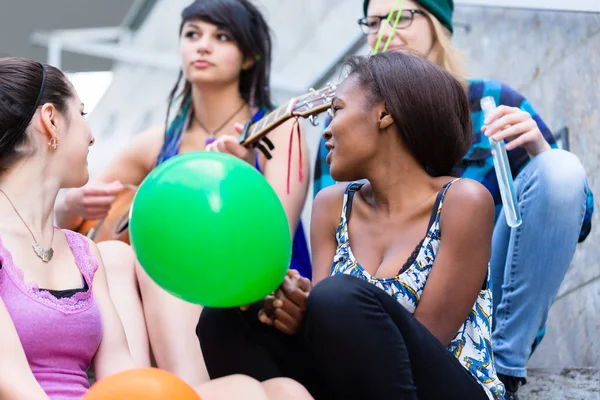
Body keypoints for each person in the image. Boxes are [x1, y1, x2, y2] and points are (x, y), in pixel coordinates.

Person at [312, 1, 593, 398]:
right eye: (373, 23)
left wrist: (539, 151)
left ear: (439, 25)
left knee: (560, 170)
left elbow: (574, 221)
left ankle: (505, 368)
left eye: (401, 16)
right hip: (374, 324)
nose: (385, 32)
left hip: (483, 307)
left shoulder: (492, 101)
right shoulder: (343, 136)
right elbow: (334, 249)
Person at [0, 55, 315, 400]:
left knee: (285, 391)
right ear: (51, 120)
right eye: (82, 114)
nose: (91, 135)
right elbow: (13, 383)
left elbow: (120, 375)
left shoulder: (82, 252)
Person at [197, 51, 506, 400]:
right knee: (226, 315)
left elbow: (430, 340)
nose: (326, 131)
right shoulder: (332, 205)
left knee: (336, 297)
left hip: (445, 387)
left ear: (384, 113)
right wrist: (300, 308)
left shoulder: (462, 200)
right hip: (355, 384)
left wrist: (325, 308)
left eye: (338, 110)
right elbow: (325, 330)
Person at [54, 0, 311, 387]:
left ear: (249, 57)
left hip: (257, 301)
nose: (202, 46)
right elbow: (68, 224)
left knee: (163, 246)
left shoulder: (277, 131)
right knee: (111, 253)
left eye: (221, 36)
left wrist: (241, 176)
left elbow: (274, 237)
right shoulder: (155, 144)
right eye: (192, 35)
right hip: (172, 302)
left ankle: (187, 388)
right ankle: (135, 385)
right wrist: (70, 203)